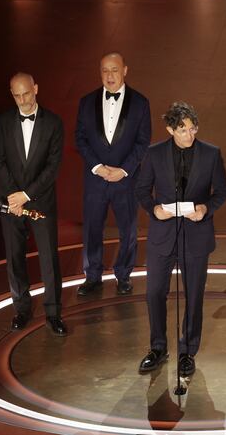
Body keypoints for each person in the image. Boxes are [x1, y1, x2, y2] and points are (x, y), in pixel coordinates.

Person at [135, 102, 226, 377]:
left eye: (192, 129)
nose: (189, 135)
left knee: (194, 295)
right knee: (154, 293)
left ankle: (187, 351)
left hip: (196, 236)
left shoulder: (211, 154)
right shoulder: (154, 154)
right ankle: (158, 347)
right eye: (183, 130)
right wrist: (154, 209)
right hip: (163, 235)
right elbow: (142, 189)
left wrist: (205, 209)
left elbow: (222, 191)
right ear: (170, 130)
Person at [0, 72, 67, 336]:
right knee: (14, 259)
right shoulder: (1, 121)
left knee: (48, 258)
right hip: (11, 204)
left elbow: (52, 168)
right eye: (17, 95)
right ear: (12, 94)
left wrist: (26, 195)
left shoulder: (54, 123)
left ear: (36, 88)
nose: (23, 100)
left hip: (40, 202)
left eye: (27, 93)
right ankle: (21, 310)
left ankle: (53, 313)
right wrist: (14, 196)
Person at [75, 52, 151, 296]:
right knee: (92, 229)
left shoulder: (140, 103)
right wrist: (97, 167)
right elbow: (81, 139)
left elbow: (142, 142)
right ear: (100, 72)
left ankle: (123, 275)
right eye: (105, 71)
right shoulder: (86, 102)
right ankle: (93, 276)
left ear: (125, 70)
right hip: (96, 178)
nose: (110, 75)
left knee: (127, 229)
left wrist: (124, 170)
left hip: (125, 180)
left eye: (114, 70)